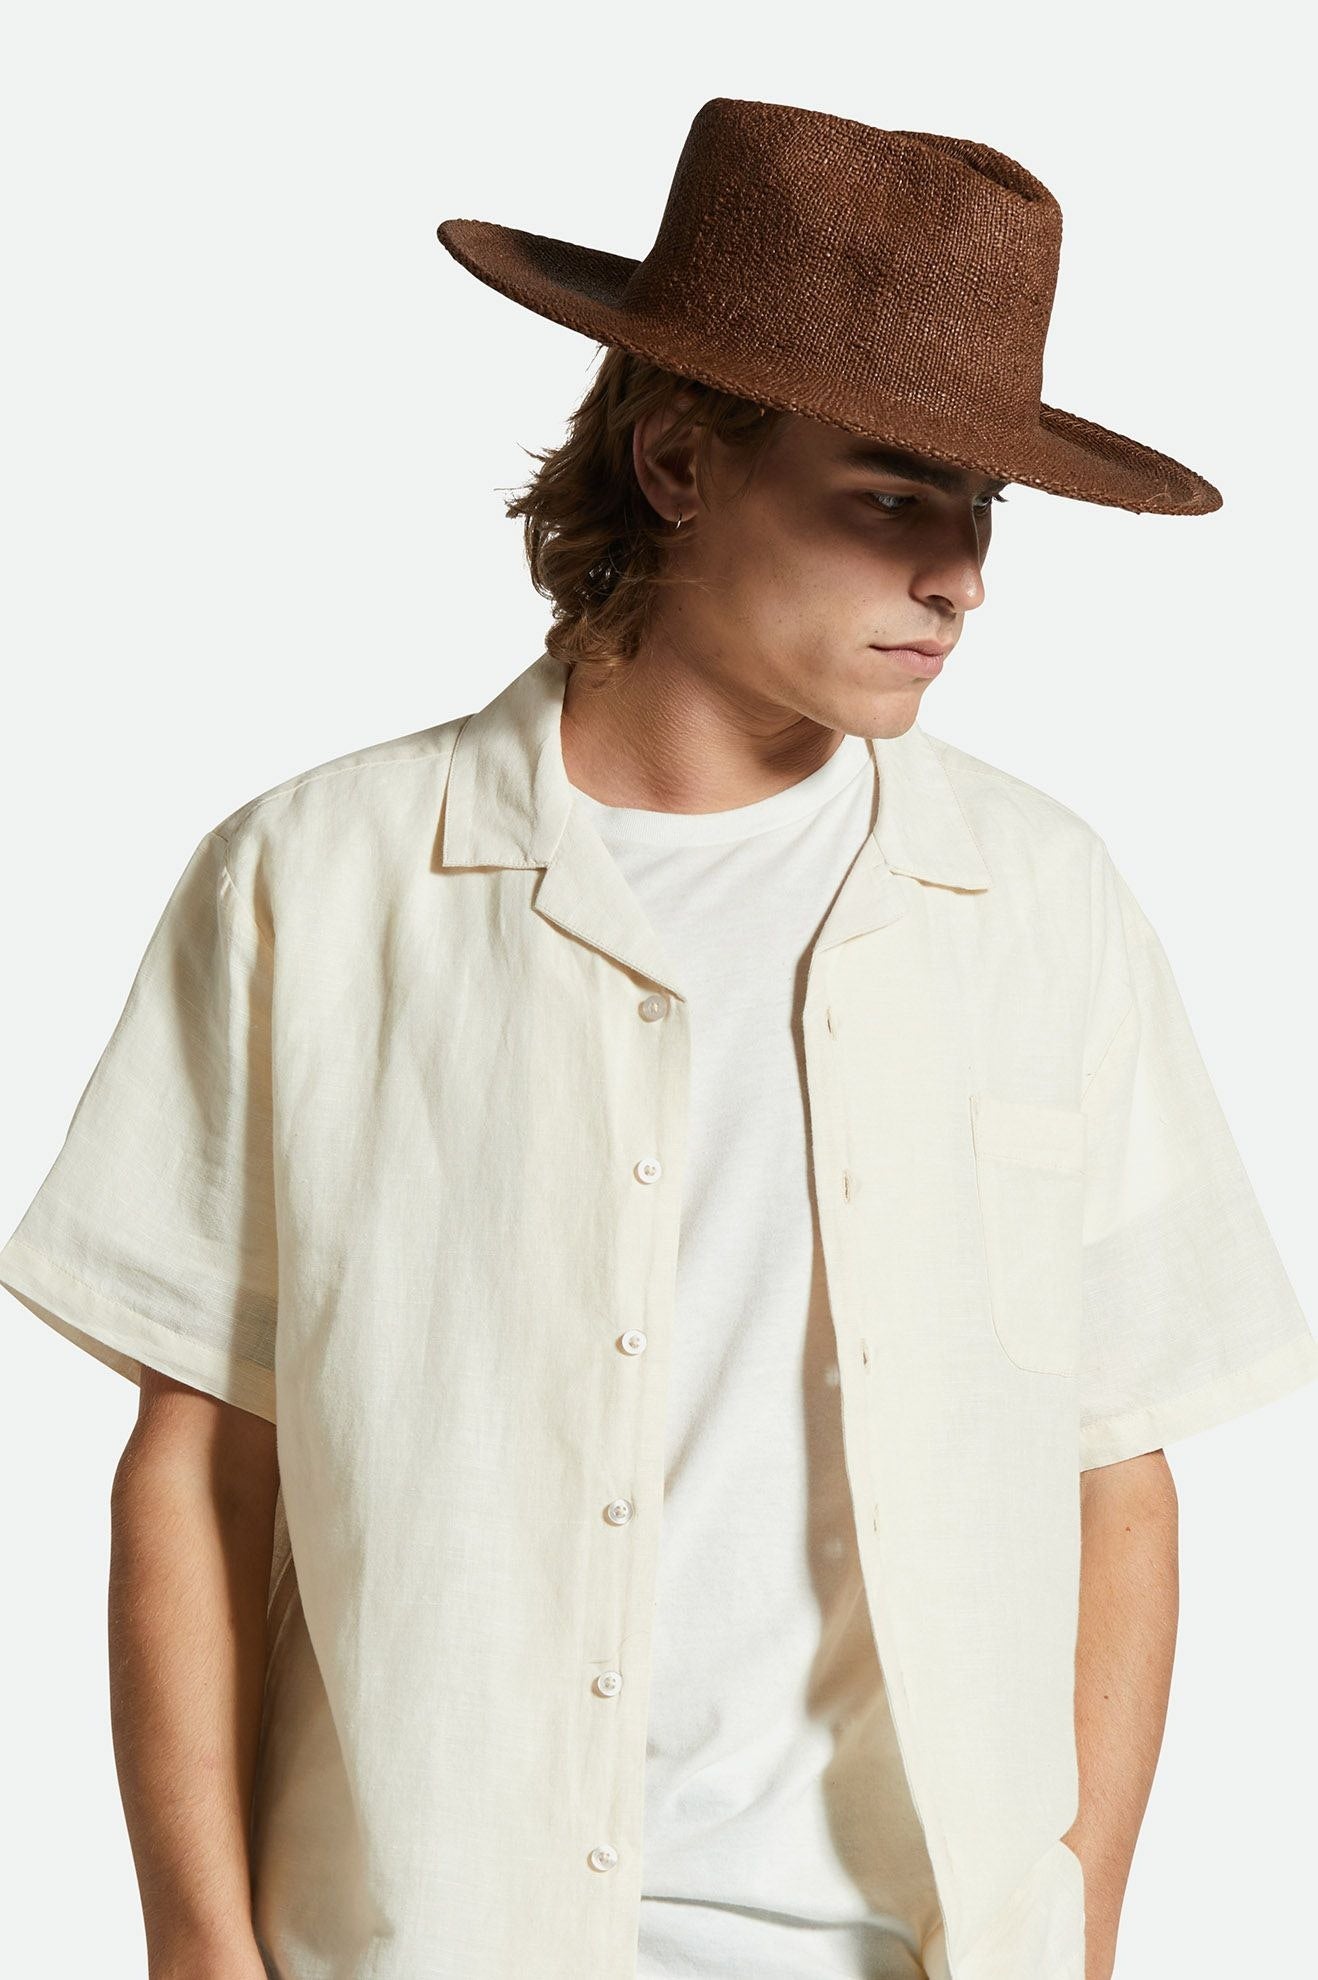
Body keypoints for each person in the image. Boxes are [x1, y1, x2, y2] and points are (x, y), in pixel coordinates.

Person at [2, 95, 1314, 1980]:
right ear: (681, 460)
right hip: (428, 1942)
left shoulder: (1038, 901)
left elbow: (1117, 1470)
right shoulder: (319, 880)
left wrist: (1075, 1928)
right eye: (890, 496)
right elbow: (201, 1461)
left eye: (981, 507)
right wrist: (201, 1954)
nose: (960, 574)